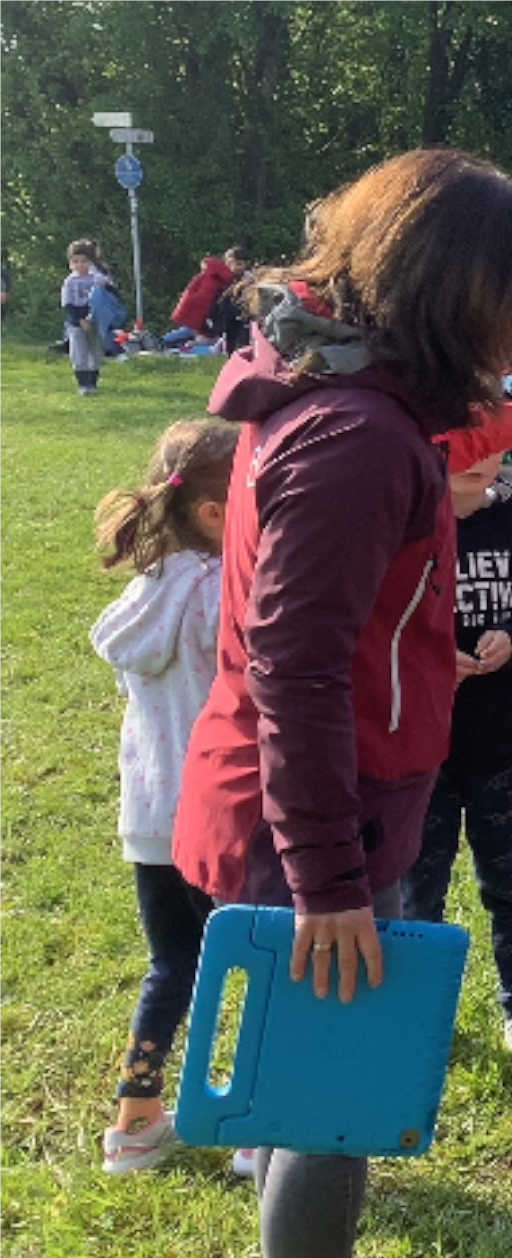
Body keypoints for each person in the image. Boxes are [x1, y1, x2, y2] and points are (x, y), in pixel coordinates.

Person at [173, 148, 512, 1258]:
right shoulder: (358, 437)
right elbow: (297, 667)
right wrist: (330, 878)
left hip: (331, 796)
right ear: (454, 288)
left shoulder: (347, 399)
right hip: (321, 818)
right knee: (332, 1104)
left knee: (312, 1092)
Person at [90, 418, 240, 1174]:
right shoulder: (222, 593)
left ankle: (135, 1126)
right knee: (255, 958)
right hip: (220, 814)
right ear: (215, 513)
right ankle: (255, 1126)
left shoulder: (144, 590)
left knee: (172, 965)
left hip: (149, 815)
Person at [402, 415, 512, 1053]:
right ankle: (415, 1006)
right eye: (458, 445)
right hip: (422, 748)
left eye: (490, 448)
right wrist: (430, 659)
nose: (476, 460)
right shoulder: (407, 525)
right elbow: (372, 624)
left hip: (502, 742)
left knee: (510, 879)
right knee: (421, 882)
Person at [168, 245, 252, 350]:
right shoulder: (222, 277)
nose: (239, 268)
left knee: (198, 334)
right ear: (228, 262)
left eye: (242, 265)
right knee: (193, 331)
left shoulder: (236, 278)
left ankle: (174, 343)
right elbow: (206, 296)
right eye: (236, 264)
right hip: (209, 316)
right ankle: (165, 341)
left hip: (213, 319)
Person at [61, 239, 110, 394]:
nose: (80, 265)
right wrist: (80, 320)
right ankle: (83, 384)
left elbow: (107, 295)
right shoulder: (70, 282)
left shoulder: (97, 279)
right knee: (79, 353)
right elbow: (68, 305)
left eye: (84, 261)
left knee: (95, 353)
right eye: (76, 261)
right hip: (76, 322)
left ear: (91, 262)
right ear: (70, 263)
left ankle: (93, 383)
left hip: (94, 320)